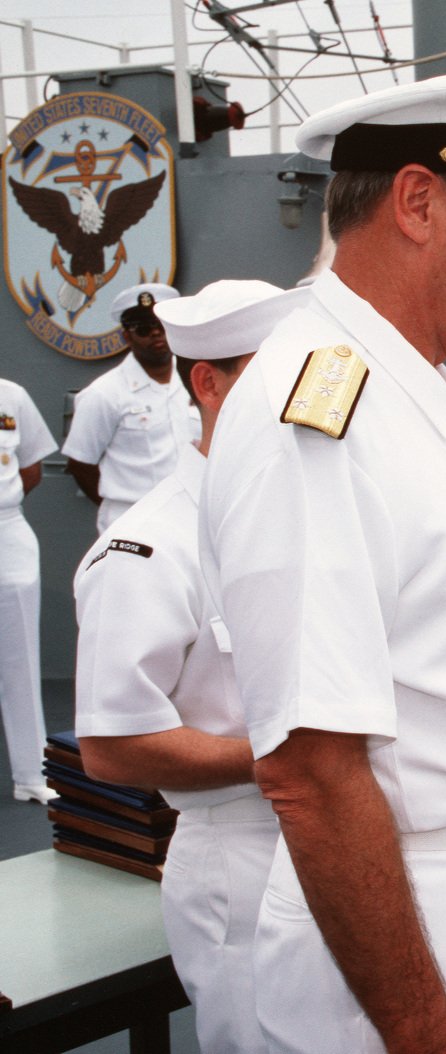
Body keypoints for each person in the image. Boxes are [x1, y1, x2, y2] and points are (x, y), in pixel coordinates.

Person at [199, 70, 446, 1054]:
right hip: (410, 977)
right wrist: (427, 1036)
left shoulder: (428, 400)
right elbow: (310, 770)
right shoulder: (315, 406)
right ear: (419, 202)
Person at [74, 279, 304, 1053]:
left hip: (348, 838)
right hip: (241, 852)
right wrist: (296, 760)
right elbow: (114, 745)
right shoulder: (149, 548)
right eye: (271, 373)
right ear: (208, 382)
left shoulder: (315, 513)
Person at [62, 283, 200, 533]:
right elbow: (81, 464)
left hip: (194, 517)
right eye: (145, 329)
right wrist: (123, 509)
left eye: (162, 326)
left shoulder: (198, 380)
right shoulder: (104, 393)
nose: (156, 334)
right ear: (127, 335)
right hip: (134, 522)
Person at [0, 377, 56, 803]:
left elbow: (30, 466)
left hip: (7, 529)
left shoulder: (11, 395)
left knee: (19, 658)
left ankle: (31, 774)